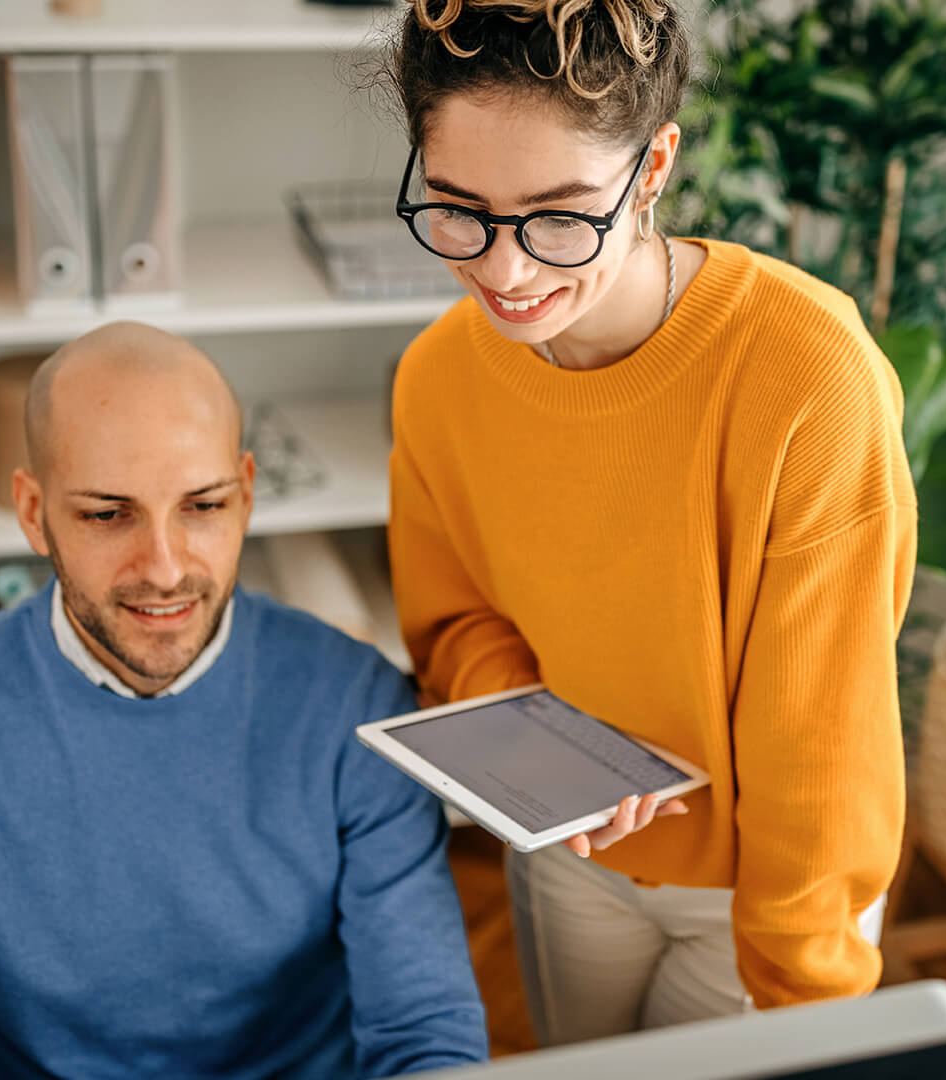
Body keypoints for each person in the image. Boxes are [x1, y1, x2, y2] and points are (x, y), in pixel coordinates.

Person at [0, 322, 489, 1080]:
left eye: (203, 506)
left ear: (247, 495)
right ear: (34, 513)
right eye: (106, 513)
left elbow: (426, 1036)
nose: (163, 569)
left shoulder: (358, 704)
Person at [383, 0, 918, 1047]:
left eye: (559, 214)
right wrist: (549, 762)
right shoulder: (441, 378)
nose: (506, 270)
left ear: (656, 167)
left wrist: (809, 1018)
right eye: (459, 209)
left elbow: (825, 745)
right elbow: (455, 629)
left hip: (766, 898)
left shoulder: (809, 376)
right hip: (569, 856)